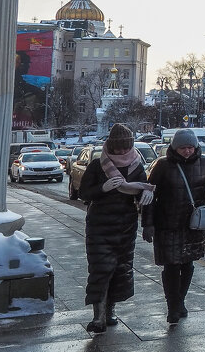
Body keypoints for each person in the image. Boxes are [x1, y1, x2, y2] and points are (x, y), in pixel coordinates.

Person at [142, 129, 205, 323]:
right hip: (167, 224)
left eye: (191, 147)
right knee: (171, 267)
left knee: (188, 264)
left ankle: (179, 301)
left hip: (193, 224)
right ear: (175, 148)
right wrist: (147, 224)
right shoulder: (163, 166)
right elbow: (149, 196)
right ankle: (173, 307)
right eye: (183, 148)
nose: (187, 151)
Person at [78, 123, 155, 333]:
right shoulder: (97, 165)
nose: (121, 152)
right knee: (100, 270)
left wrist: (145, 197)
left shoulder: (137, 166)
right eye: (117, 148)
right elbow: (84, 192)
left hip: (125, 227)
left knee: (120, 271)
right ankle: (98, 318)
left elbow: (143, 192)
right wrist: (102, 188)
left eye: (124, 148)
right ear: (110, 146)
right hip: (99, 226)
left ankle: (110, 312)